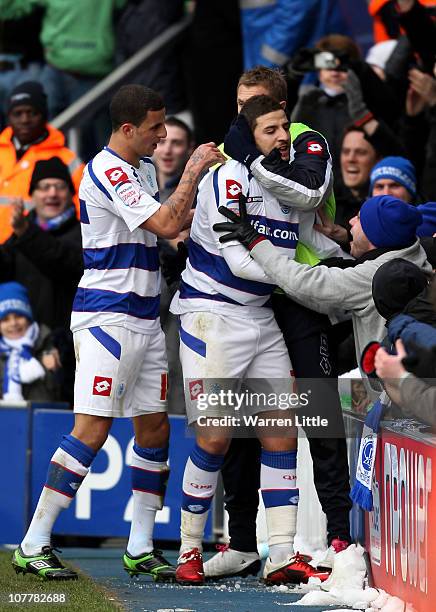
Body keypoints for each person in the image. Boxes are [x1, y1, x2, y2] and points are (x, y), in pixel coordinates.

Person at [11, 84, 225, 581]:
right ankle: (34, 540)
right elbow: (168, 219)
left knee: (154, 429)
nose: (164, 133)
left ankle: (140, 544)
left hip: (146, 316)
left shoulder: (143, 168)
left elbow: (167, 229)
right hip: (107, 317)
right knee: (93, 428)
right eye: (156, 126)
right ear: (128, 129)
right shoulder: (106, 169)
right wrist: (194, 169)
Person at [171, 94, 343, 587]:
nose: (283, 137)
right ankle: (187, 549)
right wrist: (305, 282)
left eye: (285, 127)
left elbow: (309, 242)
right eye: (270, 130)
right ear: (249, 135)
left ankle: (282, 554)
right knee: (216, 436)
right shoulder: (227, 179)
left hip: (260, 315)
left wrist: (350, 256)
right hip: (212, 314)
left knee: (280, 430)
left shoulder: (284, 180)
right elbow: (240, 262)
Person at [214, 194, 432, 385]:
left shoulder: (375, 275)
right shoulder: (416, 252)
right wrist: (349, 238)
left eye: (360, 220)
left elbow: (306, 283)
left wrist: (255, 240)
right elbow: (378, 246)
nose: (350, 222)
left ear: (376, 238)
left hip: (394, 393)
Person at [0, 157, 83, 404]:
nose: (52, 194)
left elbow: (66, 264)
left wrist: (26, 232)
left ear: (71, 193)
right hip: (21, 348)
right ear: (32, 195)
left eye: (59, 186)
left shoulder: (84, 233)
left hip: (69, 354)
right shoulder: (21, 233)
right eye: (44, 187)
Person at [0, 81, 84, 242]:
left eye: (31, 112)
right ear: (9, 117)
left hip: (36, 255)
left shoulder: (67, 161)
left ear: (44, 114)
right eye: (17, 113)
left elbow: (82, 218)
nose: (24, 119)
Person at [154, 117, 195, 415]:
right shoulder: (133, 186)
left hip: (183, 296)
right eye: (162, 141)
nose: (168, 150)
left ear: (189, 149)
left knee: (178, 372)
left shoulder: (199, 189)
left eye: (176, 142)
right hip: (141, 300)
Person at [0, 281, 61, 402]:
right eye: (5, 319)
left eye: (18, 316)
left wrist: (55, 370)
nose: (13, 323)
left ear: (28, 317)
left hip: (40, 418)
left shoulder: (48, 343)